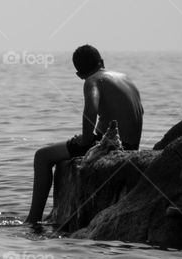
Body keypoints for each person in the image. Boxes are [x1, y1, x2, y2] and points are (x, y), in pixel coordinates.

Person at [24, 45, 144, 224]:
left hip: (114, 144)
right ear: (102, 62)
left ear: (79, 75)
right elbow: (139, 111)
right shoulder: (124, 78)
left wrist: (85, 140)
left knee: (42, 156)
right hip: (132, 145)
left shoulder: (92, 81)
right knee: (62, 155)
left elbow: (91, 110)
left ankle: (32, 220)